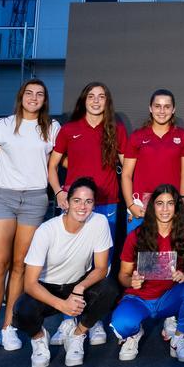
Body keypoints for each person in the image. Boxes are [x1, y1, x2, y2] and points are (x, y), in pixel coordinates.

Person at [0, 79, 61, 360]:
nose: (34, 97)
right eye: (29, 93)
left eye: (39, 94)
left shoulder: (52, 128)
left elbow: (59, 163)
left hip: (35, 199)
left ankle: (9, 326)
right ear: (21, 96)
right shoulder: (2, 125)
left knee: (20, 265)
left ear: (44, 100)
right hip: (2, 196)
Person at [48, 82, 127, 346]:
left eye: (101, 97)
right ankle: (68, 319)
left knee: (101, 267)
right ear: (84, 100)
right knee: (75, 264)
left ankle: (95, 320)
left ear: (107, 102)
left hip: (108, 205)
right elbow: (53, 166)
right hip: (77, 206)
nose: (96, 101)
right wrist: (60, 191)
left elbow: (128, 169)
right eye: (91, 96)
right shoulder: (69, 130)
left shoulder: (116, 130)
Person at [12, 178, 119, 367]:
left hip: (77, 284)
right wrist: (62, 305)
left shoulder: (99, 222)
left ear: (94, 204)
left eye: (88, 201)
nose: (82, 206)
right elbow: (29, 283)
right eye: (77, 200)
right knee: (22, 310)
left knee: (109, 289)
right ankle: (38, 337)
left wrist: (80, 287)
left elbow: (101, 268)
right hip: (47, 288)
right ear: (67, 203)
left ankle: (78, 335)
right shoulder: (46, 231)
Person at [110, 184, 184, 363]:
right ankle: (133, 333)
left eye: (170, 203)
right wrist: (132, 281)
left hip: (168, 297)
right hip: (139, 298)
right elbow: (122, 275)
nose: (164, 209)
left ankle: (179, 338)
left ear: (176, 208)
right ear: (152, 207)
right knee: (121, 326)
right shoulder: (136, 235)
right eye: (160, 203)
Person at [122, 89, 184, 217]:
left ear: (173, 109)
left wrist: (181, 200)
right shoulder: (137, 136)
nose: (162, 111)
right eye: (157, 106)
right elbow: (126, 174)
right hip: (141, 205)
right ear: (150, 108)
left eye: (167, 107)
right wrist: (130, 205)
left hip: (171, 203)